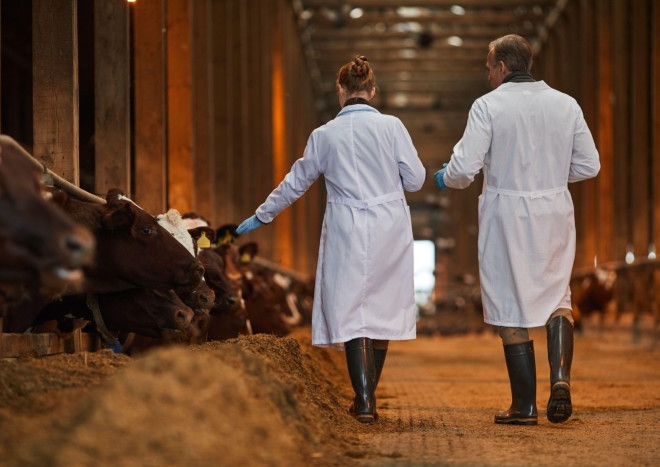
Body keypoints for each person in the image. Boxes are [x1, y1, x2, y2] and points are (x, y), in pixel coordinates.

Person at [236, 55, 426, 423]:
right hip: (388, 222)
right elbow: (416, 180)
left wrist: (262, 215)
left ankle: (365, 400)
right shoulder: (393, 127)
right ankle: (367, 395)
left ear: (340, 91)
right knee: (382, 310)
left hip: (347, 224)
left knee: (354, 310)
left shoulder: (323, 135)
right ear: (372, 91)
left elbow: (295, 183)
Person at [433, 34, 600, 425]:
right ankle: (560, 378)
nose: (487, 74)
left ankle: (523, 407)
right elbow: (590, 165)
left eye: (488, 67)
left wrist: (444, 178)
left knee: (509, 300)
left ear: (502, 67)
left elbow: (463, 169)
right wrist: (552, 177)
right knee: (558, 293)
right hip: (554, 208)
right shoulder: (566, 104)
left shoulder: (487, 106)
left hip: (506, 211)